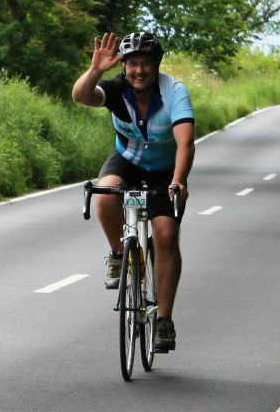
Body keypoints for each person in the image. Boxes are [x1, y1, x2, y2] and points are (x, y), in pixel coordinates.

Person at [71, 31, 195, 353]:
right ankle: (117, 253)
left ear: (157, 66)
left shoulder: (174, 93)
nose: (139, 71)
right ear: (124, 67)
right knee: (106, 193)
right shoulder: (116, 90)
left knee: (166, 235)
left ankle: (164, 321)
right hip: (127, 161)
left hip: (165, 170)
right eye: (133, 64)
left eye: (146, 64)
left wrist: (179, 181)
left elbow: (185, 142)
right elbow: (81, 96)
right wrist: (96, 70)